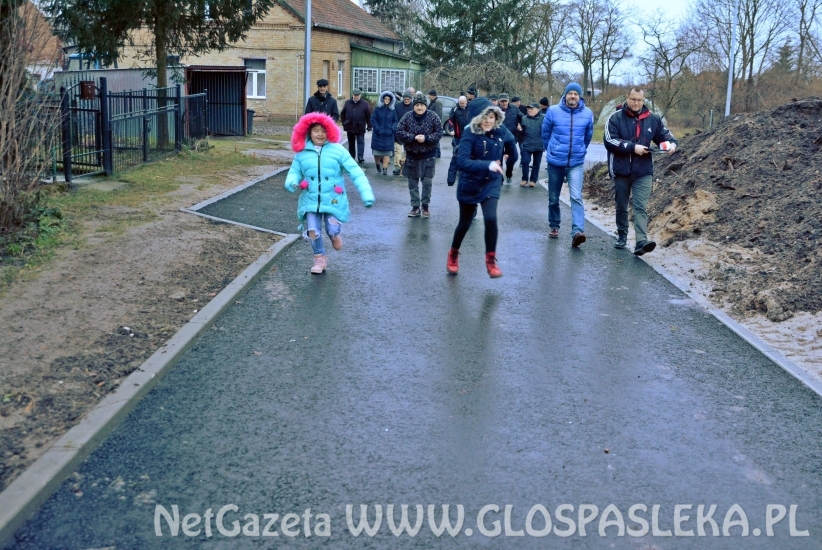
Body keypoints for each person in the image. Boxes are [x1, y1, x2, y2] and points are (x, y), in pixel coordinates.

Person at [285, 113, 375, 274]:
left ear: (330, 131)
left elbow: (355, 172)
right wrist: (292, 182)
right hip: (310, 199)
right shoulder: (302, 152)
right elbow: (295, 171)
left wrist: (366, 194)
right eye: (316, 130)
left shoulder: (338, 150)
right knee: (313, 231)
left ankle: (334, 236)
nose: (320, 134)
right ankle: (319, 258)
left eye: (324, 130)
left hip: (333, 199)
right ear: (308, 131)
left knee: (332, 229)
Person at [447, 98, 518, 278]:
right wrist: (488, 164)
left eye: (491, 117)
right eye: (484, 117)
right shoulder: (469, 133)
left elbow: (513, 149)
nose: (488, 121)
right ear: (476, 118)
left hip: (491, 182)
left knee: (491, 218)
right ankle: (453, 253)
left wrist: (509, 161)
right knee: (465, 223)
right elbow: (462, 162)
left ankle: (490, 260)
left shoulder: (501, 131)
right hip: (470, 182)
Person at [604, 86, 678, 254]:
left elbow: (665, 136)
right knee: (621, 205)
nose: (636, 103)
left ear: (643, 101)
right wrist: (632, 147)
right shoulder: (615, 118)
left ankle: (641, 242)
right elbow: (610, 141)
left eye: (639, 100)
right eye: (633, 99)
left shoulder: (653, 119)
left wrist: (671, 144)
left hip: (643, 171)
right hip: (621, 170)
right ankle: (622, 235)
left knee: (640, 206)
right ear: (627, 98)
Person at [541, 82, 594, 247]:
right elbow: (545, 133)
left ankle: (577, 231)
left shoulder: (587, 113)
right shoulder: (553, 111)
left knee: (576, 196)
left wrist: (581, 150)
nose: (573, 96)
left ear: (580, 96)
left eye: (576, 94)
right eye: (570, 93)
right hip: (555, 162)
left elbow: (588, 136)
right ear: (565, 95)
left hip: (576, 162)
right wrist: (551, 149)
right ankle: (554, 225)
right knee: (553, 198)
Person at [396, 92, 443, 218]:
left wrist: (426, 138)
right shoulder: (407, 117)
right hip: (412, 155)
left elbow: (439, 132)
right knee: (413, 184)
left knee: (427, 182)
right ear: (414, 106)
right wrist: (413, 137)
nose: (419, 107)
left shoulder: (433, 116)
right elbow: (399, 131)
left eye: (422, 105)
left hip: (428, 155)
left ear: (425, 105)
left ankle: (425, 206)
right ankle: (415, 207)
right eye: (417, 105)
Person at [370, 91, 399, 175]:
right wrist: (377, 128)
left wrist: (392, 128)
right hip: (378, 135)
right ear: (382, 99)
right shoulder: (377, 109)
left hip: (389, 135)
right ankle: (377, 164)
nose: (387, 100)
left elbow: (395, 121)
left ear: (391, 100)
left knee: (387, 153)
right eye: (385, 98)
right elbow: (373, 119)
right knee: (376, 153)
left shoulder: (392, 110)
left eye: (388, 99)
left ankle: (385, 169)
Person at [339, 88, 371, 163]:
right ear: (352, 95)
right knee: (351, 142)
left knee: (361, 141)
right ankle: (352, 156)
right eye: (355, 95)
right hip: (350, 126)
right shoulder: (347, 103)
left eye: (357, 95)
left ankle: (360, 156)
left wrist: (369, 125)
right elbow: (342, 114)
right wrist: (344, 123)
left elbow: (368, 115)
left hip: (360, 126)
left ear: (360, 95)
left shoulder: (364, 104)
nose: (356, 97)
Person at [498, 93, 523, 184]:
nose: (504, 103)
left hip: (511, 138)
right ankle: (499, 177)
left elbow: (522, 117)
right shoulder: (495, 109)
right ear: (499, 101)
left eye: (505, 101)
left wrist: (520, 125)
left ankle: (509, 174)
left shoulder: (514, 108)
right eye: (502, 101)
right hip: (499, 138)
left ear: (508, 101)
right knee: (499, 158)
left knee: (512, 157)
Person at [446, 95, 471, 186]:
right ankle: (457, 169)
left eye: (463, 103)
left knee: (466, 152)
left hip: (468, 135)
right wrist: (452, 129)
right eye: (460, 103)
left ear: (466, 102)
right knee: (457, 152)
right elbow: (450, 120)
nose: (462, 105)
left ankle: (464, 169)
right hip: (458, 135)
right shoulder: (455, 109)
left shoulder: (470, 109)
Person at [519, 103, 544, 187]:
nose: (529, 110)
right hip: (527, 144)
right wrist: (520, 130)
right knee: (525, 161)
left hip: (539, 144)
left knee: (536, 163)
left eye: (531, 109)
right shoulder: (524, 118)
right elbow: (522, 132)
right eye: (528, 109)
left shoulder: (543, 118)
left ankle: (533, 180)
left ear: (537, 110)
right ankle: (524, 179)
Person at [393, 91, 414, 175]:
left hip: (410, 131)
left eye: (408, 99)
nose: (406, 101)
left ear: (411, 99)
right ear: (403, 98)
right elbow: (394, 118)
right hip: (399, 130)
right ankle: (397, 167)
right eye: (405, 99)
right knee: (397, 150)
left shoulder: (414, 106)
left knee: (407, 150)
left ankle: (405, 166)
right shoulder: (397, 106)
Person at [427, 89, 444, 158]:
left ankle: (437, 153)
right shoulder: (432, 102)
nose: (428, 96)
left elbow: (437, 114)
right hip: (431, 123)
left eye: (429, 95)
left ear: (432, 95)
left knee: (436, 139)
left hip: (435, 124)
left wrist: (435, 123)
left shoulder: (437, 103)